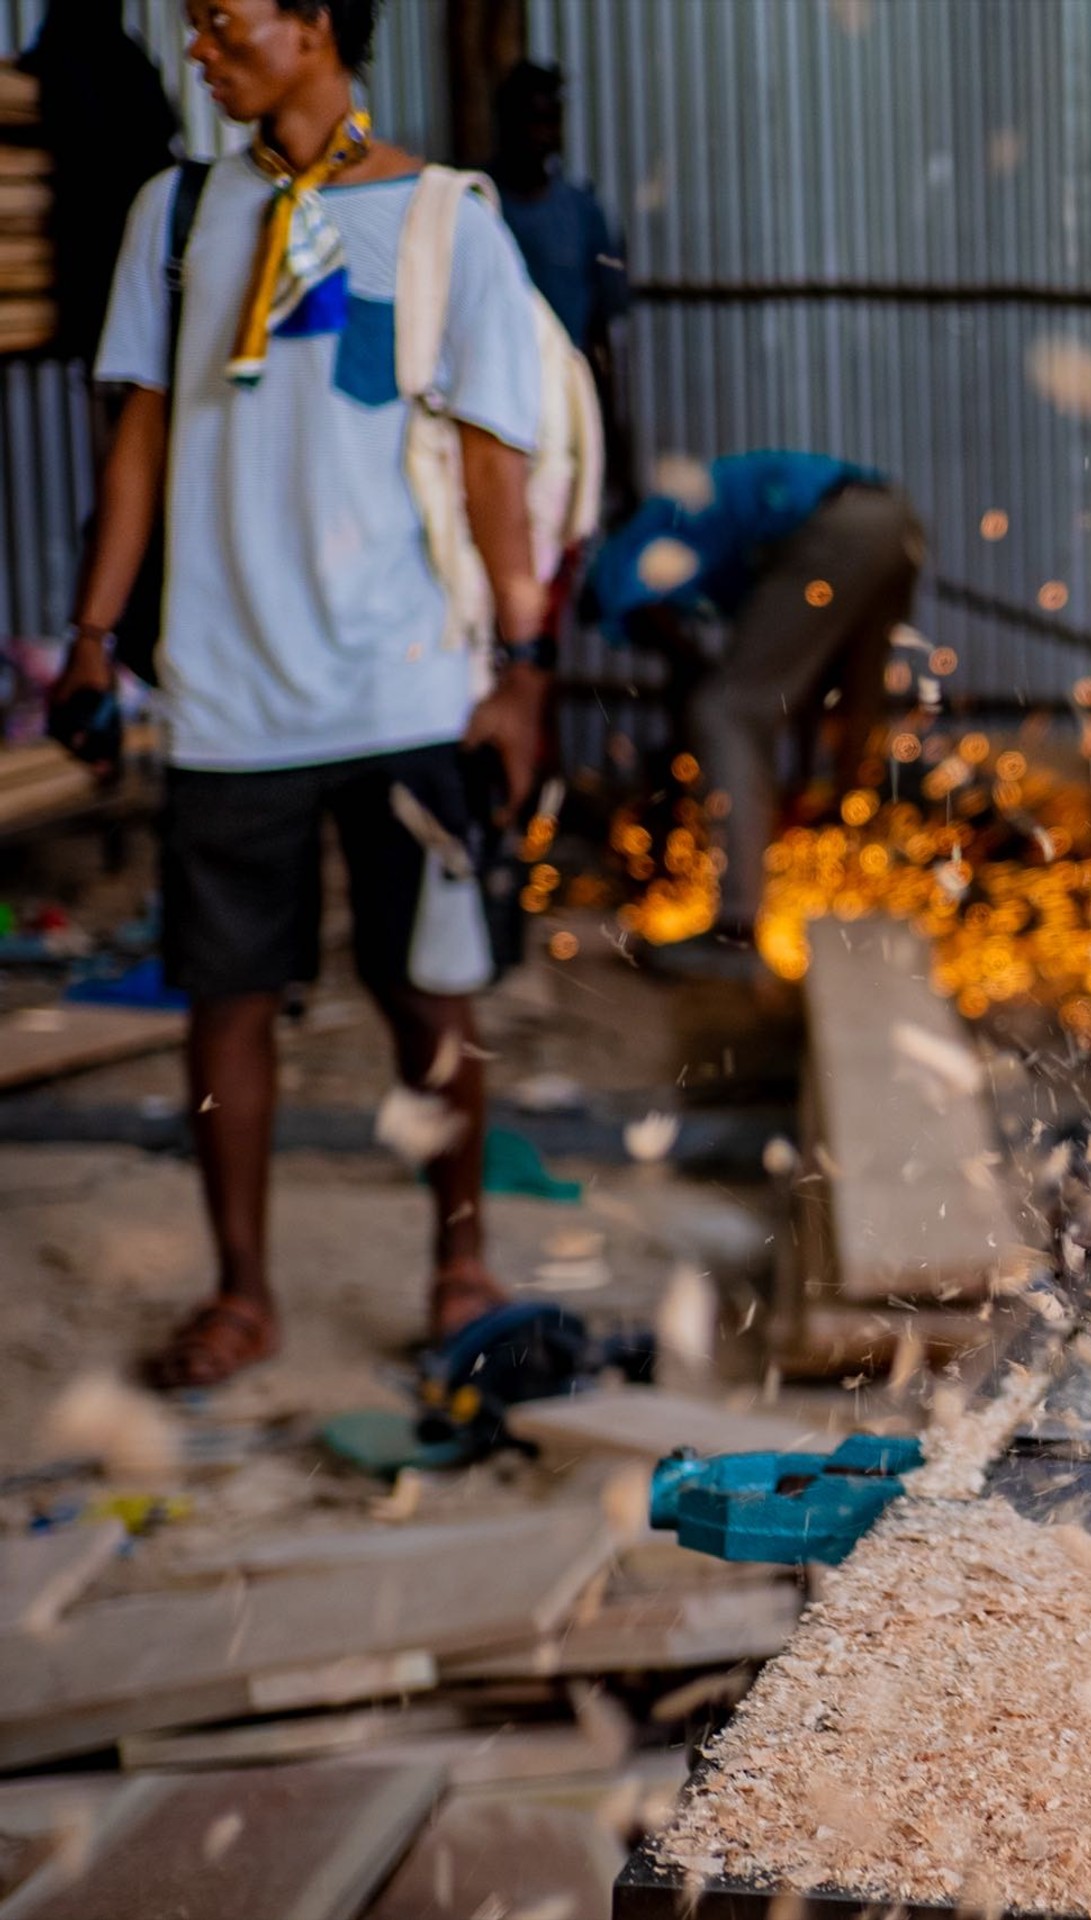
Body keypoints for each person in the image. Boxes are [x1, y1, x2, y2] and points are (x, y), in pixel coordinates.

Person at [52, 0, 552, 1389]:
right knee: (225, 1000)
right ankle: (243, 1291)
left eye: (225, 24)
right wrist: (96, 632)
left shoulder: (451, 221)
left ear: (319, 23)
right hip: (227, 692)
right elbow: (139, 435)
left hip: (406, 687)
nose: (200, 53)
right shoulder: (175, 213)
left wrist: (518, 667)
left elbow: (492, 463)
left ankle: (459, 1263)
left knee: (427, 993)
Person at [584, 451, 925, 974]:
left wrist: (703, 684)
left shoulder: (616, 564)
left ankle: (735, 932)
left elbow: (675, 648)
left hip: (836, 527)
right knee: (847, 699)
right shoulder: (718, 551)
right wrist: (800, 782)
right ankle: (842, 825)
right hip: (891, 520)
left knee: (723, 712)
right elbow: (807, 682)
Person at [484, 60, 627, 502]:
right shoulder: (476, 207)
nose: (539, 134)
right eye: (528, 120)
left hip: (566, 412)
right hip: (492, 406)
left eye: (550, 122)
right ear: (504, 124)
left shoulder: (583, 214)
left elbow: (601, 335)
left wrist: (612, 434)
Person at [20, 0, 182, 365]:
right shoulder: (122, 58)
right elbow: (167, 126)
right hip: (113, 233)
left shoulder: (76, 56)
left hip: (100, 233)